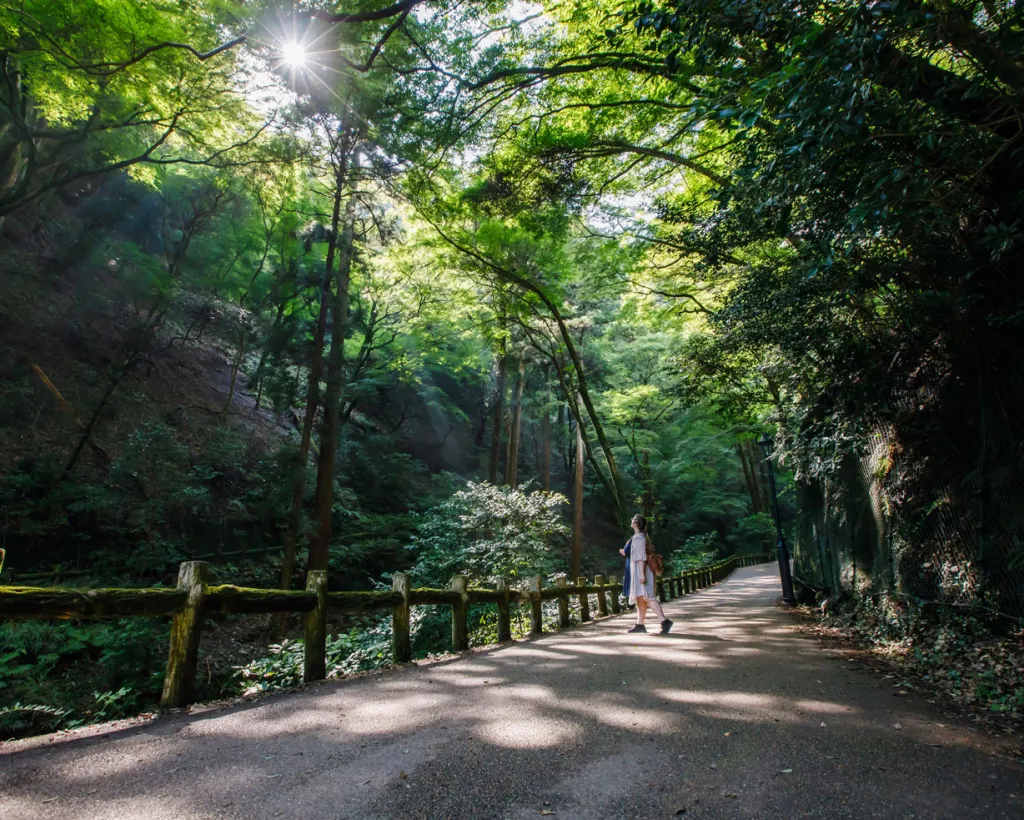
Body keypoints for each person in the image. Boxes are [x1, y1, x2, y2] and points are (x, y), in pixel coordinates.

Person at [625, 514, 673, 634]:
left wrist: (641, 574)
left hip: (641, 571)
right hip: (639, 570)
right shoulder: (639, 537)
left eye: (633, 519)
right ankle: (640, 624)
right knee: (640, 598)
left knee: (648, 597)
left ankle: (664, 621)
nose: (631, 520)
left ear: (636, 523)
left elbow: (641, 557)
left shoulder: (638, 538)